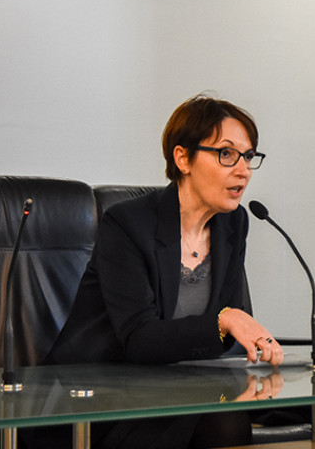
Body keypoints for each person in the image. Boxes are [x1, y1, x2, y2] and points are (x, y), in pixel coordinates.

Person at [41, 94, 281, 448]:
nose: (243, 169)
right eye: (226, 154)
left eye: (248, 156)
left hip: (182, 391)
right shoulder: (127, 223)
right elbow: (139, 338)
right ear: (182, 158)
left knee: (231, 416)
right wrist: (225, 320)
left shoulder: (233, 223)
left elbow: (225, 331)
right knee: (222, 423)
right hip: (101, 396)